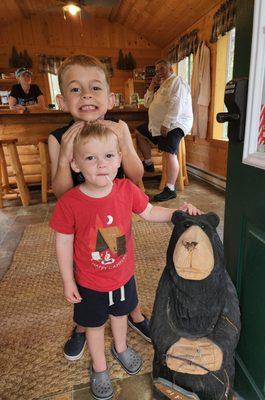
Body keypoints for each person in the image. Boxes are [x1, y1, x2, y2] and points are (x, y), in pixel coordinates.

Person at [50, 121, 201, 400]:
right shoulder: (69, 203)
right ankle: (99, 367)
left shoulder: (126, 190)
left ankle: (120, 348)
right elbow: (63, 241)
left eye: (108, 156)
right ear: (75, 164)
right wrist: (68, 280)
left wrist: (176, 214)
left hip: (123, 277)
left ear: (119, 159)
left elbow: (150, 211)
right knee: (94, 327)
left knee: (120, 315)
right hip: (90, 283)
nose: (101, 164)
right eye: (90, 158)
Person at [47, 54, 149, 364]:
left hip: (116, 213)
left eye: (95, 88)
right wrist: (66, 155)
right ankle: (83, 324)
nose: (87, 95)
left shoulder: (118, 126)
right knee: (86, 272)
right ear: (63, 100)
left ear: (110, 97)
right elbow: (62, 192)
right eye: (76, 90)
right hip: (81, 220)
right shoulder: (59, 137)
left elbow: (136, 175)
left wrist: (125, 144)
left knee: (118, 265)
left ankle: (132, 311)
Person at [135, 59, 193, 202]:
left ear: (171, 70)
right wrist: (152, 84)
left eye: (162, 69)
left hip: (175, 124)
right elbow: (148, 103)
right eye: (156, 70)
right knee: (139, 132)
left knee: (169, 153)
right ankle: (148, 163)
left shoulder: (176, 81)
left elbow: (177, 104)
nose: (158, 72)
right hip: (158, 125)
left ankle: (170, 188)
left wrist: (167, 124)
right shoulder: (162, 85)